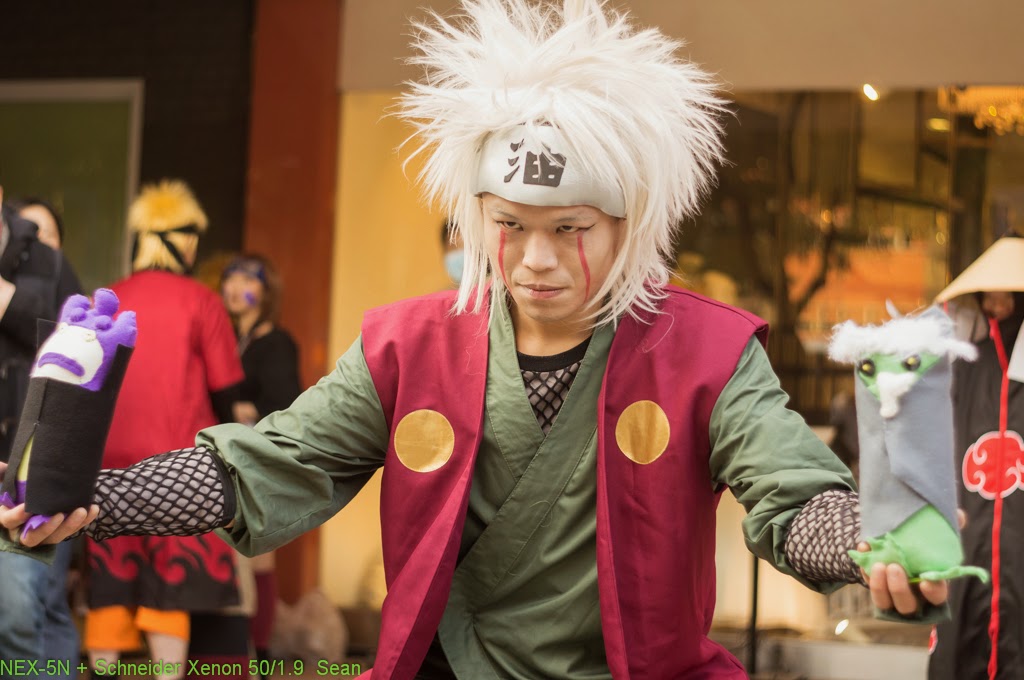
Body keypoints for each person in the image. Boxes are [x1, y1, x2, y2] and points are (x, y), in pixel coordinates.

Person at [3, 2, 950, 678]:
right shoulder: (409, 345)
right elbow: (271, 462)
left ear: (630, 226)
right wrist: (100, 500)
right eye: (509, 225)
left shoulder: (706, 351)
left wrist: (866, 543)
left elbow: (792, 493)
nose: (535, 259)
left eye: (570, 229)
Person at [80, 180, 246, 680]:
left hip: (106, 462)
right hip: (178, 466)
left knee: (109, 582)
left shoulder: (108, 299)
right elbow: (228, 390)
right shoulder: (201, 301)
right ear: (184, 241)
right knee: (171, 586)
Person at [930, 235, 1024, 680]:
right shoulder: (963, 367)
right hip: (969, 531)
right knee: (961, 639)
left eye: (1008, 296)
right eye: (989, 296)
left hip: (1019, 539)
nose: (996, 306)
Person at [0, 186, 82, 675]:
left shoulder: (51, 268)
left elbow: (81, 348)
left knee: (26, 610)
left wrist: (10, 301)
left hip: (34, 471)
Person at [220, 254, 302, 669]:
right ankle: (242, 653)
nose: (235, 287)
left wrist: (246, 410)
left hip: (261, 461)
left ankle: (261, 655)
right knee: (242, 561)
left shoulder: (277, 342)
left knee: (258, 558)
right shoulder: (229, 340)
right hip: (229, 460)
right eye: (230, 278)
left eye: (247, 280)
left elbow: (287, 403)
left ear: (266, 292)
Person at [440, 220, 464, 287]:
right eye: (453, 247)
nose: (459, 252)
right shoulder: (444, 293)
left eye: (464, 246)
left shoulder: (490, 288)